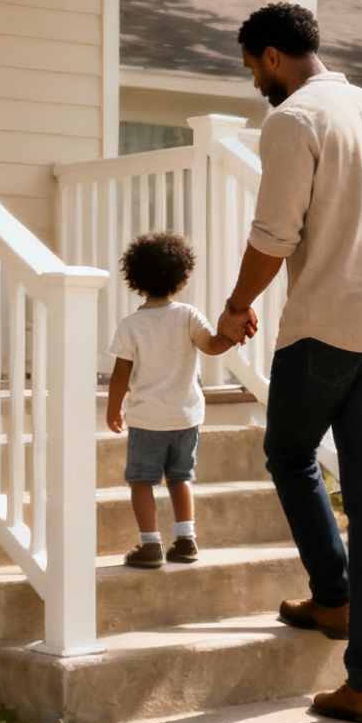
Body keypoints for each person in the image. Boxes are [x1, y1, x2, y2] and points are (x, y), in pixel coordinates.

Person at [216, 1, 362, 723]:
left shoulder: (295, 120)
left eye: (253, 69)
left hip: (324, 330)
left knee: (288, 450)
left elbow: (274, 233)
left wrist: (235, 306)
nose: (256, 83)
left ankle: (335, 596)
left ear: (272, 55)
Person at [105, 232, 244, 569]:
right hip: (185, 417)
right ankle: (185, 539)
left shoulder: (131, 325)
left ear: (135, 279)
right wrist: (231, 335)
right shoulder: (187, 316)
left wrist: (113, 410)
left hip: (147, 418)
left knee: (141, 480)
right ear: (181, 276)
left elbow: (120, 375)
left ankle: (149, 543)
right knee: (181, 478)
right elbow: (211, 346)